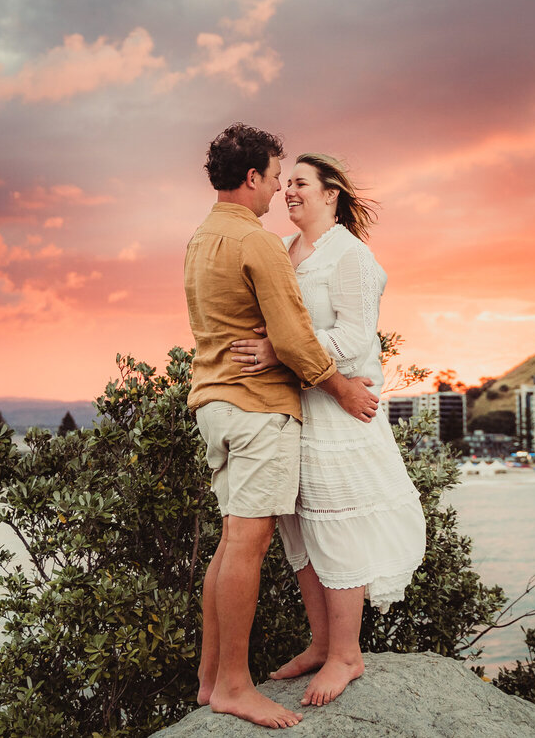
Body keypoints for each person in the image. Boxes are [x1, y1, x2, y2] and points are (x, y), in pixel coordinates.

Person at [184, 124, 380, 729]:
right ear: (251, 177)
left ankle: (210, 678)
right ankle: (235, 686)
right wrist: (344, 386)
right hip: (256, 409)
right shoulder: (260, 243)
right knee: (249, 542)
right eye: (274, 176)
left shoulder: (199, 239)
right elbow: (293, 338)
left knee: (229, 542)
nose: (277, 189)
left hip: (214, 405)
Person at [230, 153, 426, 707]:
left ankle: (347, 654)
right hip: (298, 409)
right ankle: (321, 644)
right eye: (285, 183)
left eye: (300, 184)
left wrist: (279, 353)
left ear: (331, 193)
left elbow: (357, 338)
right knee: (303, 529)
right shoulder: (290, 252)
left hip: (342, 413)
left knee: (337, 525)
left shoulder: (351, 256)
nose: (288, 191)